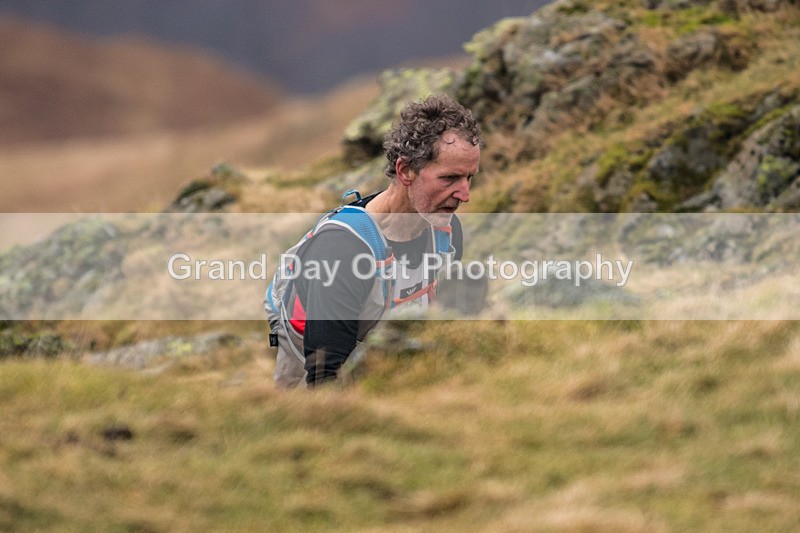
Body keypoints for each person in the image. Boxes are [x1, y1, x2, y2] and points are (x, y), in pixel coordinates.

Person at [269, 93, 482, 388]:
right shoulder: (341, 250)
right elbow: (325, 379)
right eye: (449, 179)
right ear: (405, 170)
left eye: (469, 178)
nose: (464, 194)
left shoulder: (446, 233)